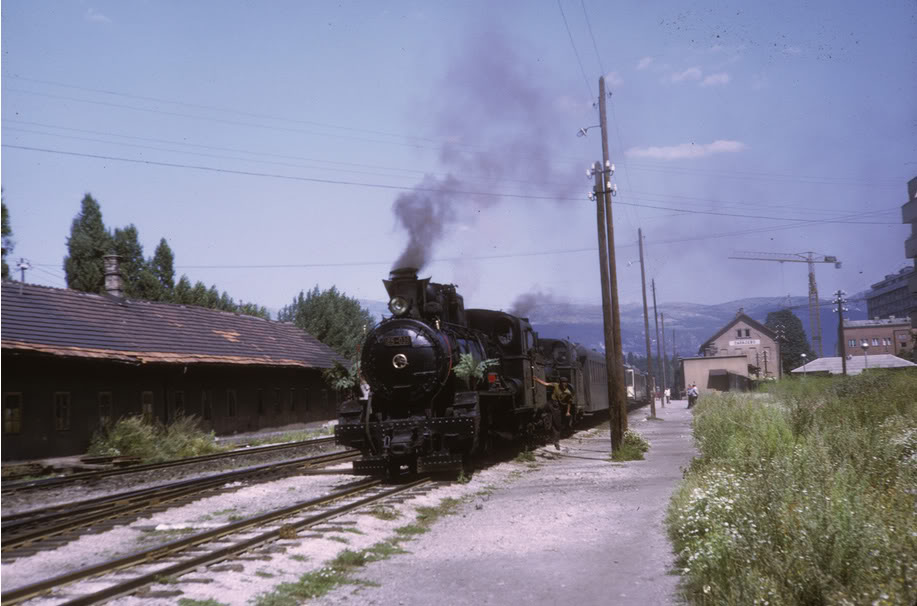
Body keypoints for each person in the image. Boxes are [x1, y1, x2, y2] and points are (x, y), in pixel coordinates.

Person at [534, 375, 574, 450]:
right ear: (560, 382)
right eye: (562, 382)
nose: (564, 384)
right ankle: (536, 420)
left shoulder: (568, 392)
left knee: (557, 426)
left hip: (557, 408)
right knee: (540, 408)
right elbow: (546, 384)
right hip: (550, 403)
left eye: (565, 382)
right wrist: (537, 380)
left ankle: (556, 442)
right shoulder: (556, 385)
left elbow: (569, 403)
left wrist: (568, 412)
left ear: (567, 383)